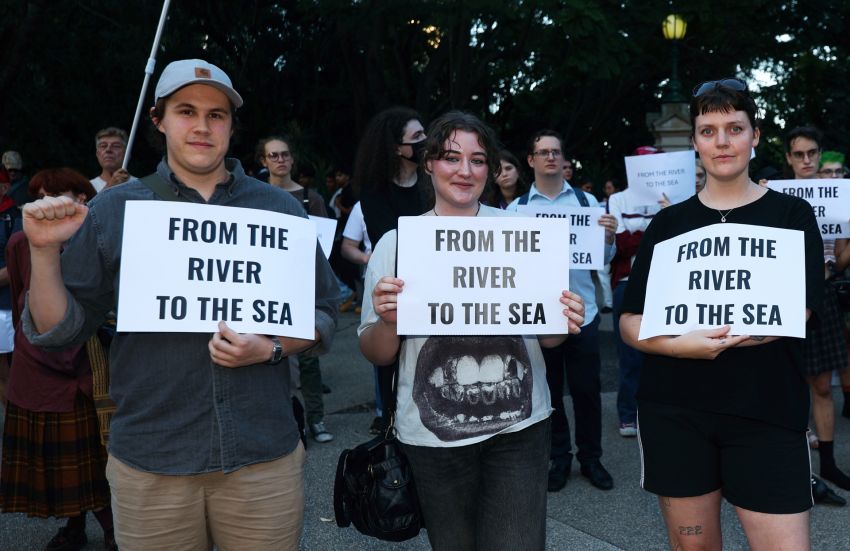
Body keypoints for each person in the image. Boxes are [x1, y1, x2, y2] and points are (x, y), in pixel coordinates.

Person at [20, 58, 338, 550]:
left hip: (262, 458)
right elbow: (61, 330)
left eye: (217, 115)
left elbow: (323, 313)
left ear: (232, 126)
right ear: (158, 120)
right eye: (186, 111)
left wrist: (271, 346)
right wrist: (42, 252)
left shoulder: (280, 210)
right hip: (152, 462)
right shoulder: (116, 209)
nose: (202, 126)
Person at [358, 111, 585, 550]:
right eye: (450, 157)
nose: (465, 171)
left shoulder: (524, 236)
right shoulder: (397, 243)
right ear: (428, 164)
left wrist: (566, 320)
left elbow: (550, 338)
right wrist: (389, 320)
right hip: (431, 440)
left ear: (491, 169)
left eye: (478, 160)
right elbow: (376, 352)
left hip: (519, 432)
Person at [620, 78, 823, 550]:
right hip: (675, 410)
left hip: (767, 408)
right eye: (708, 130)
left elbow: (801, 308)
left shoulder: (792, 216)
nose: (722, 141)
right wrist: (678, 346)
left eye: (734, 127)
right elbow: (632, 318)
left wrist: (723, 340)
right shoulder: (666, 226)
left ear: (754, 135)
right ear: (694, 141)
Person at [0, 169, 116, 551]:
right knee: (64, 464)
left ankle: (115, 528)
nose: (47, 203)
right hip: (38, 368)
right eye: (39, 195)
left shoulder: (97, 239)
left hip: (87, 364)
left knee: (96, 457)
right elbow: (23, 300)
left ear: (82, 199)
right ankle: (74, 526)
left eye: (58, 194)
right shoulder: (20, 242)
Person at [507, 130, 618, 493]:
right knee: (548, 391)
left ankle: (591, 458)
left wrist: (609, 239)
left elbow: (601, 261)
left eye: (556, 151)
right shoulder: (517, 209)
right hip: (538, 317)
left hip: (580, 315)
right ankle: (559, 458)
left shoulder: (587, 204)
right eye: (543, 152)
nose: (551, 157)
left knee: (587, 390)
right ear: (531, 160)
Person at [353, 107, 431, 432]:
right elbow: (392, 248)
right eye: (417, 138)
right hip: (399, 299)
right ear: (397, 147)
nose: (426, 142)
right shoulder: (374, 193)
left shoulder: (432, 183)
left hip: (436, 295)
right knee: (393, 377)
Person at [256, 135, 336, 443]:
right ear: (263, 162)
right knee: (277, 360)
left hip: (303, 285)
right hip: (268, 287)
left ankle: (316, 419)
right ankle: (288, 420)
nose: (280, 160)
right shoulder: (255, 197)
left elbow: (324, 243)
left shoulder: (310, 198)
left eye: (285, 154)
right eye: (273, 155)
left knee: (308, 358)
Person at [784, 128, 850, 492]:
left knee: (823, 385)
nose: (807, 160)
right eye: (799, 154)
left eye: (812, 153)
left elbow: (840, 261)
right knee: (784, 383)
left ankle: (828, 464)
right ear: (789, 159)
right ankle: (790, 464)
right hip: (783, 295)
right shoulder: (773, 195)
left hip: (821, 295)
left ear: (819, 155)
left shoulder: (839, 200)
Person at [90, 127, 132, 192]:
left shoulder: (142, 187)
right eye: (103, 146)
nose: (108, 150)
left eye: (116, 146)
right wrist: (109, 186)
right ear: (97, 154)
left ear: (127, 154)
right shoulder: (87, 187)